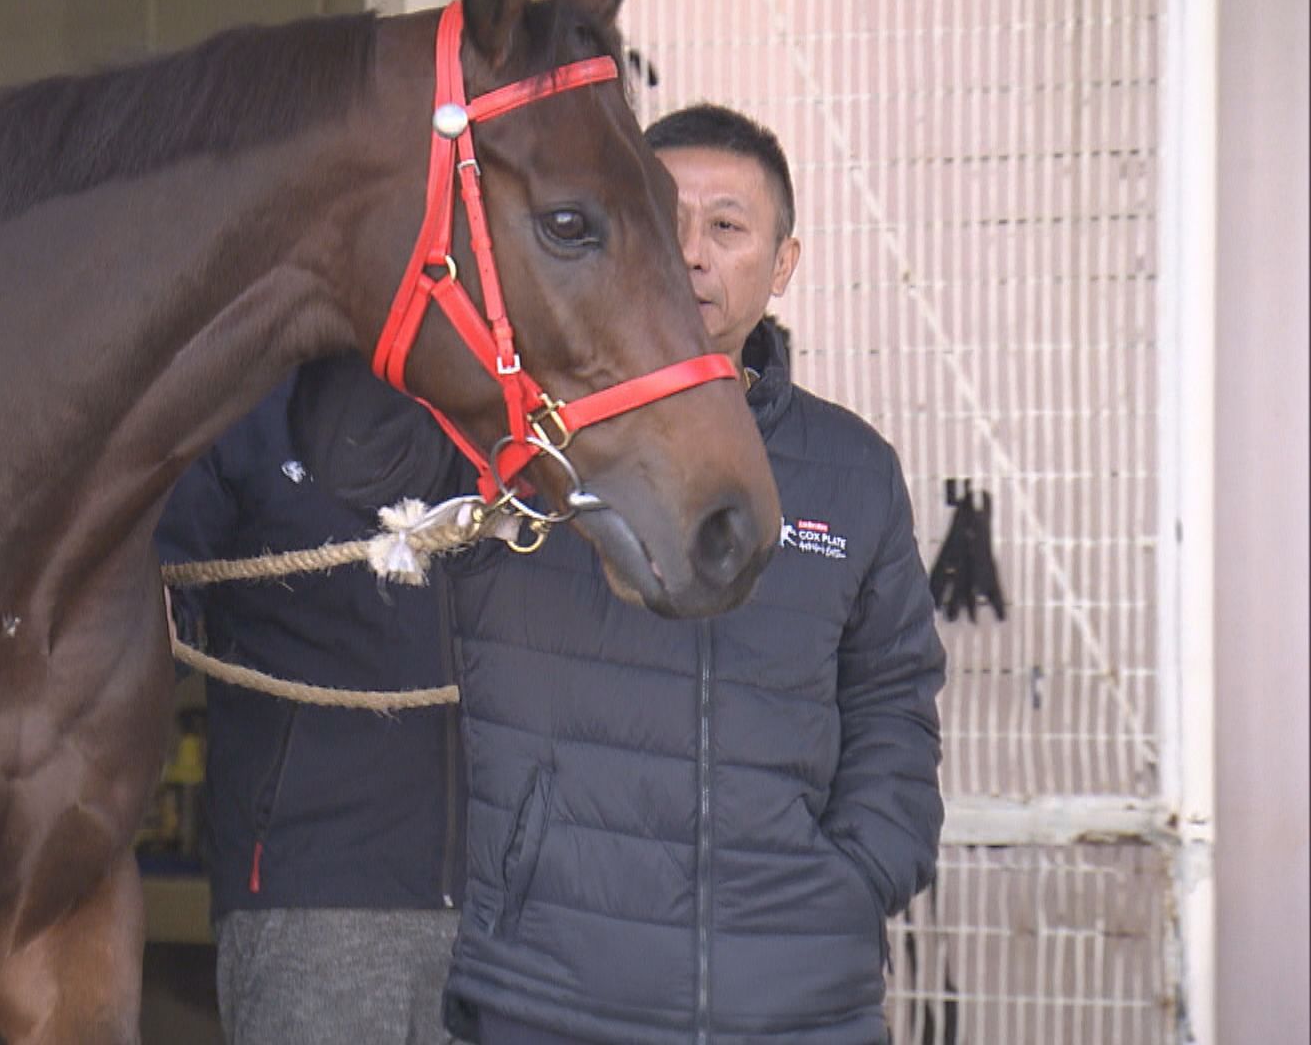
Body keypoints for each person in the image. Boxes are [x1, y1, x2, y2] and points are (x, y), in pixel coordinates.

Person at [287, 103, 946, 1044]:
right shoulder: (522, 439)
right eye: (664, 220)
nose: (693, 252)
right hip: (552, 991)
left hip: (799, 999)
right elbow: (353, 455)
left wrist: (854, 879)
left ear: (783, 264)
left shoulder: (854, 471)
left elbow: (892, 697)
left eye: (728, 226)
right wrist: (443, 232)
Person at [154, 374, 467, 1045]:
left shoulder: (497, 398)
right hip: (310, 896)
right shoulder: (241, 396)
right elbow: (145, 629)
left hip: (503, 923)